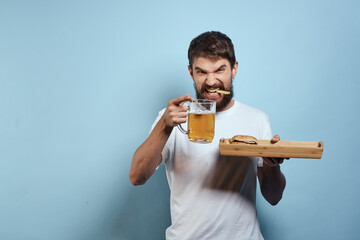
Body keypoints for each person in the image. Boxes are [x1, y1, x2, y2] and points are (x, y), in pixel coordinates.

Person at [129, 31, 286, 240]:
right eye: (201, 72)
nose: (211, 81)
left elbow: (274, 197)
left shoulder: (256, 119)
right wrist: (164, 126)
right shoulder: (170, 118)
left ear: (234, 69)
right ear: (191, 73)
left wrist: (271, 164)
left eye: (219, 69)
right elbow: (137, 176)